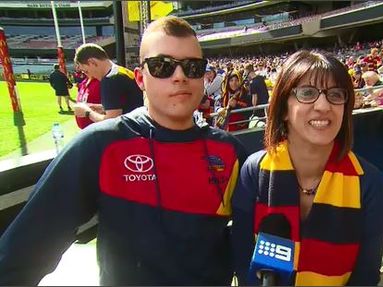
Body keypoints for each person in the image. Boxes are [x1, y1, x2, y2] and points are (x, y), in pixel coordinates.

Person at [0, 16, 247, 285]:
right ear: (140, 78)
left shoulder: (230, 152)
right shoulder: (101, 145)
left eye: (193, 67)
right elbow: (26, 249)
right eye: (162, 66)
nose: (180, 76)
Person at [231, 50, 383, 286]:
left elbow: (365, 277)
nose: (323, 105)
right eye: (307, 93)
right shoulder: (254, 172)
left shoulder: (367, 182)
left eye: (336, 94)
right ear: (283, 109)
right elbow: (243, 261)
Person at [72, 43, 143, 123]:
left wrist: (87, 112)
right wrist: (101, 108)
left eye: (86, 71)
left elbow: (112, 122)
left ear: (92, 62)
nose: (90, 76)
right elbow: (126, 104)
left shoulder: (110, 80)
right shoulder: (120, 71)